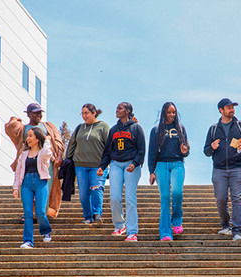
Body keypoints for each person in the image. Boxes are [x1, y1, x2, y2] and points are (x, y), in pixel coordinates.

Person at [203, 98, 241, 241]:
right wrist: (211, 148)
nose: (231, 110)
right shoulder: (213, 129)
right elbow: (206, 151)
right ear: (221, 110)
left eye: (232, 107)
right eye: (228, 107)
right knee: (221, 199)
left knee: (237, 199)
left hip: (238, 168)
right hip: (219, 169)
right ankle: (226, 225)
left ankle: (237, 231)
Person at [5, 103, 65, 218]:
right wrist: (15, 120)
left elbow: (58, 142)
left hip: (46, 162)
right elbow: (9, 128)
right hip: (28, 161)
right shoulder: (24, 128)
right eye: (35, 112)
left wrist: (59, 156)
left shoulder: (48, 126)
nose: (39, 115)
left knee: (46, 186)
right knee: (26, 186)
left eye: (40, 112)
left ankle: (43, 212)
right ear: (28, 114)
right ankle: (29, 213)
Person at [97, 102, 145, 242]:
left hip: (131, 165)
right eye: (116, 108)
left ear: (128, 111)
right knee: (114, 197)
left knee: (130, 198)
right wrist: (102, 166)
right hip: (116, 164)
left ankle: (132, 232)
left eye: (120, 108)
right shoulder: (113, 130)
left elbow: (141, 151)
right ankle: (119, 225)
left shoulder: (136, 128)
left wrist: (135, 163)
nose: (117, 110)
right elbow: (107, 152)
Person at [149, 102, 190, 241]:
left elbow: (186, 150)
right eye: (169, 112)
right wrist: (151, 171)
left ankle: (177, 220)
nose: (172, 115)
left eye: (174, 112)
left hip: (177, 164)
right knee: (165, 197)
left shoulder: (181, 128)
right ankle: (165, 233)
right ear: (164, 113)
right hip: (161, 165)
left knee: (177, 192)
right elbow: (151, 152)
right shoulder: (156, 130)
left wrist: (185, 151)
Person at [66, 104, 110, 226]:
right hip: (80, 165)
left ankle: (97, 215)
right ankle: (88, 216)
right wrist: (67, 159)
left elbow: (109, 146)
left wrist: (107, 163)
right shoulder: (80, 127)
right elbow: (72, 144)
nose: (84, 116)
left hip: (98, 166)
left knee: (96, 189)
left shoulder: (103, 126)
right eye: (82, 113)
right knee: (83, 193)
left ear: (94, 113)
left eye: (87, 113)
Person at [12, 127, 55, 248]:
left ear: (37, 138)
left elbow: (48, 152)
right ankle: (28, 241)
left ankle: (46, 231)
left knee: (41, 212)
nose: (28, 138)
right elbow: (18, 172)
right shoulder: (24, 154)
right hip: (26, 183)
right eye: (27, 136)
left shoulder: (43, 153)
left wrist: (47, 140)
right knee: (28, 213)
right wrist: (16, 188)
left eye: (30, 135)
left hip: (41, 181)